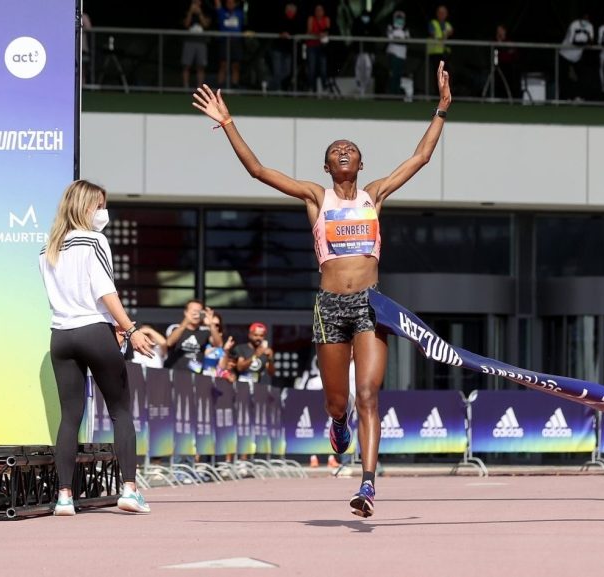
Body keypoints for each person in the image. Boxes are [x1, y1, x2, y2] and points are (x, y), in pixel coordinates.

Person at [192, 61, 451, 517]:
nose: (344, 150)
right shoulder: (316, 197)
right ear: (327, 165)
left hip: (371, 304)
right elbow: (258, 170)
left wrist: (442, 109)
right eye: (336, 149)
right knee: (338, 401)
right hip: (330, 306)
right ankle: (337, 424)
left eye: (351, 147)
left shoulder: (376, 193)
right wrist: (228, 123)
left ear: (361, 162)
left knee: (369, 394)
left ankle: (368, 485)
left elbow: (421, 157)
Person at [39, 179, 155, 516]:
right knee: (120, 410)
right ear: (85, 207)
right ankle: (129, 490)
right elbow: (104, 291)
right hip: (93, 329)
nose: (102, 212)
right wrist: (130, 328)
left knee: (69, 416)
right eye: (99, 205)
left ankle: (63, 496)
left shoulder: (49, 247)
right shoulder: (94, 240)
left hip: (61, 335)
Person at [164, 299, 223, 372]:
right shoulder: (175, 328)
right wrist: (185, 322)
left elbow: (218, 344)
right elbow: (169, 343)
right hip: (175, 374)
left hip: (195, 376)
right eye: (193, 311)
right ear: (186, 312)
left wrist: (211, 324)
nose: (196, 314)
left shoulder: (205, 332)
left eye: (199, 311)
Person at [268, 2, 303, 92]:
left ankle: (268, 84)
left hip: (288, 51)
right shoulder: (280, 18)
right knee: (277, 71)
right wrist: (281, 33)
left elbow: (298, 33)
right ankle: (276, 89)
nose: (291, 12)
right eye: (289, 10)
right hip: (277, 49)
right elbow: (273, 29)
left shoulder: (297, 20)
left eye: (293, 10)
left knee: (287, 71)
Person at [559, 14, 594, 101]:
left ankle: (578, 96)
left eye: (588, 18)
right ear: (581, 18)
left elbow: (591, 42)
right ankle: (565, 98)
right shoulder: (574, 24)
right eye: (585, 18)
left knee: (583, 76)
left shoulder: (590, 26)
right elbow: (572, 41)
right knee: (564, 77)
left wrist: (589, 40)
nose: (586, 20)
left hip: (577, 57)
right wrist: (585, 44)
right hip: (565, 54)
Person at [233, 322, 275, 387]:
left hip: (256, 387)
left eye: (261, 336)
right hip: (240, 386)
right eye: (256, 335)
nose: (258, 338)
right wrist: (255, 356)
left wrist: (270, 359)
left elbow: (271, 373)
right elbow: (240, 367)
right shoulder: (241, 348)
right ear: (250, 335)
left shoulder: (265, 352)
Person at [214, 0, 245, 88]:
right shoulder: (222, 12)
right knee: (223, 64)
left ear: (235, 4)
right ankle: (220, 86)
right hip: (224, 41)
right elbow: (217, 3)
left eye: (232, 3)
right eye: (228, 3)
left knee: (236, 65)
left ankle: (235, 85)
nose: (230, 4)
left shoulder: (239, 13)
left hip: (236, 41)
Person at [181, 0, 211, 89]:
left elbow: (206, 24)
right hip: (189, 41)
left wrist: (200, 13)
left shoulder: (206, 10)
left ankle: (199, 88)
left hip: (201, 42)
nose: (196, 3)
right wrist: (190, 12)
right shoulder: (187, 10)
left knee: (201, 66)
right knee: (186, 65)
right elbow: (186, 24)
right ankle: (185, 87)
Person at [305, 3, 331, 93]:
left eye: (320, 10)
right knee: (312, 69)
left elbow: (328, 31)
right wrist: (318, 35)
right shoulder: (311, 19)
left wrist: (324, 34)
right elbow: (309, 32)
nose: (319, 12)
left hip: (322, 47)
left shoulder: (326, 19)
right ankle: (312, 88)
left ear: (323, 12)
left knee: (323, 69)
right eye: (317, 10)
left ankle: (324, 88)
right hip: (311, 46)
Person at [427, 5, 453, 94]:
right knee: (437, 75)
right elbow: (432, 33)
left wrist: (444, 35)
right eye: (440, 12)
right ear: (437, 13)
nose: (442, 14)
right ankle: (437, 95)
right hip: (435, 53)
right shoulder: (433, 22)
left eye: (444, 13)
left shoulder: (447, 24)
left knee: (447, 74)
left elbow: (450, 31)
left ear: (446, 14)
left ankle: (446, 94)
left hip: (445, 53)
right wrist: (443, 36)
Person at [386, 10, 410, 96]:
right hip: (393, 53)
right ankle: (391, 93)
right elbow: (391, 38)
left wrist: (398, 39)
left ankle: (397, 94)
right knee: (393, 74)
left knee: (399, 75)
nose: (399, 19)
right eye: (398, 18)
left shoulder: (405, 29)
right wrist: (400, 40)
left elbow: (407, 40)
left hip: (402, 55)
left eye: (401, 18)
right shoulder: (391, 27)